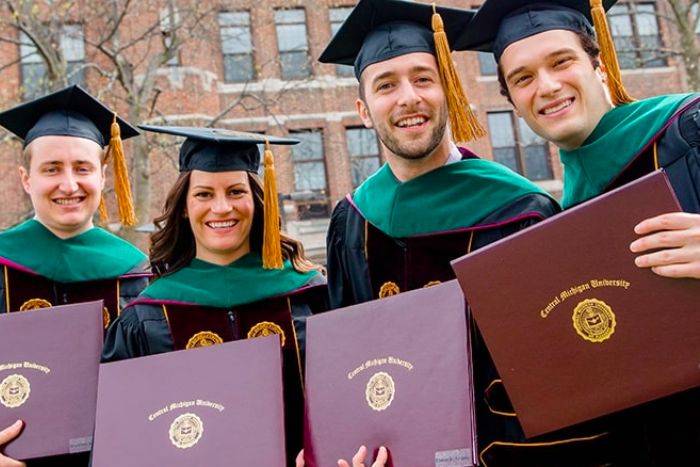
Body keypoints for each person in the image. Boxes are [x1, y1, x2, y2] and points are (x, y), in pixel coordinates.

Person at [319, 1, 565, 465]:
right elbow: (347, 367)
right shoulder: (352, 222)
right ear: (364, 110)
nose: (408, 97)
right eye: (386, 85)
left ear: (449, 89)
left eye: (423, 78)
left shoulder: (520, 211)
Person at [456, 0, 700, 464]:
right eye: (523, 78)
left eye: (561, 62)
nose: (546, 87)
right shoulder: (563, 220)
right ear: (513, 103)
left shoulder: (689, 130)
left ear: (600, 66)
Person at [102, 126, 327, 465]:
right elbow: (119, 439)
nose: (222, 208)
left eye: (236, 192)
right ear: (183, 207)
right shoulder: (147, 317)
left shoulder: (310, 296)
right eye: (204, 194)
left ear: (257, 200)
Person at [0, 85, 148, 466]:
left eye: (82, 169)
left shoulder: (137, 274)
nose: (69, 184)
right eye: (52, 169)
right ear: (25, 178)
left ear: (102, 176)